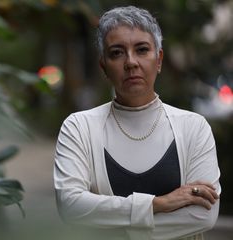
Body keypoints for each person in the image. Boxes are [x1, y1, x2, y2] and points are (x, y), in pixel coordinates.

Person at [53, 6, 221, 240]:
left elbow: (204, 216)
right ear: (104, 66)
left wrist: (109, 227)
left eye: (142, 49)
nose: (131, 62)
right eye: (117, 53)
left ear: (159, 59)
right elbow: (70, 206)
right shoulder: (78, 128)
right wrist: (158, 204)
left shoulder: (193, 127)